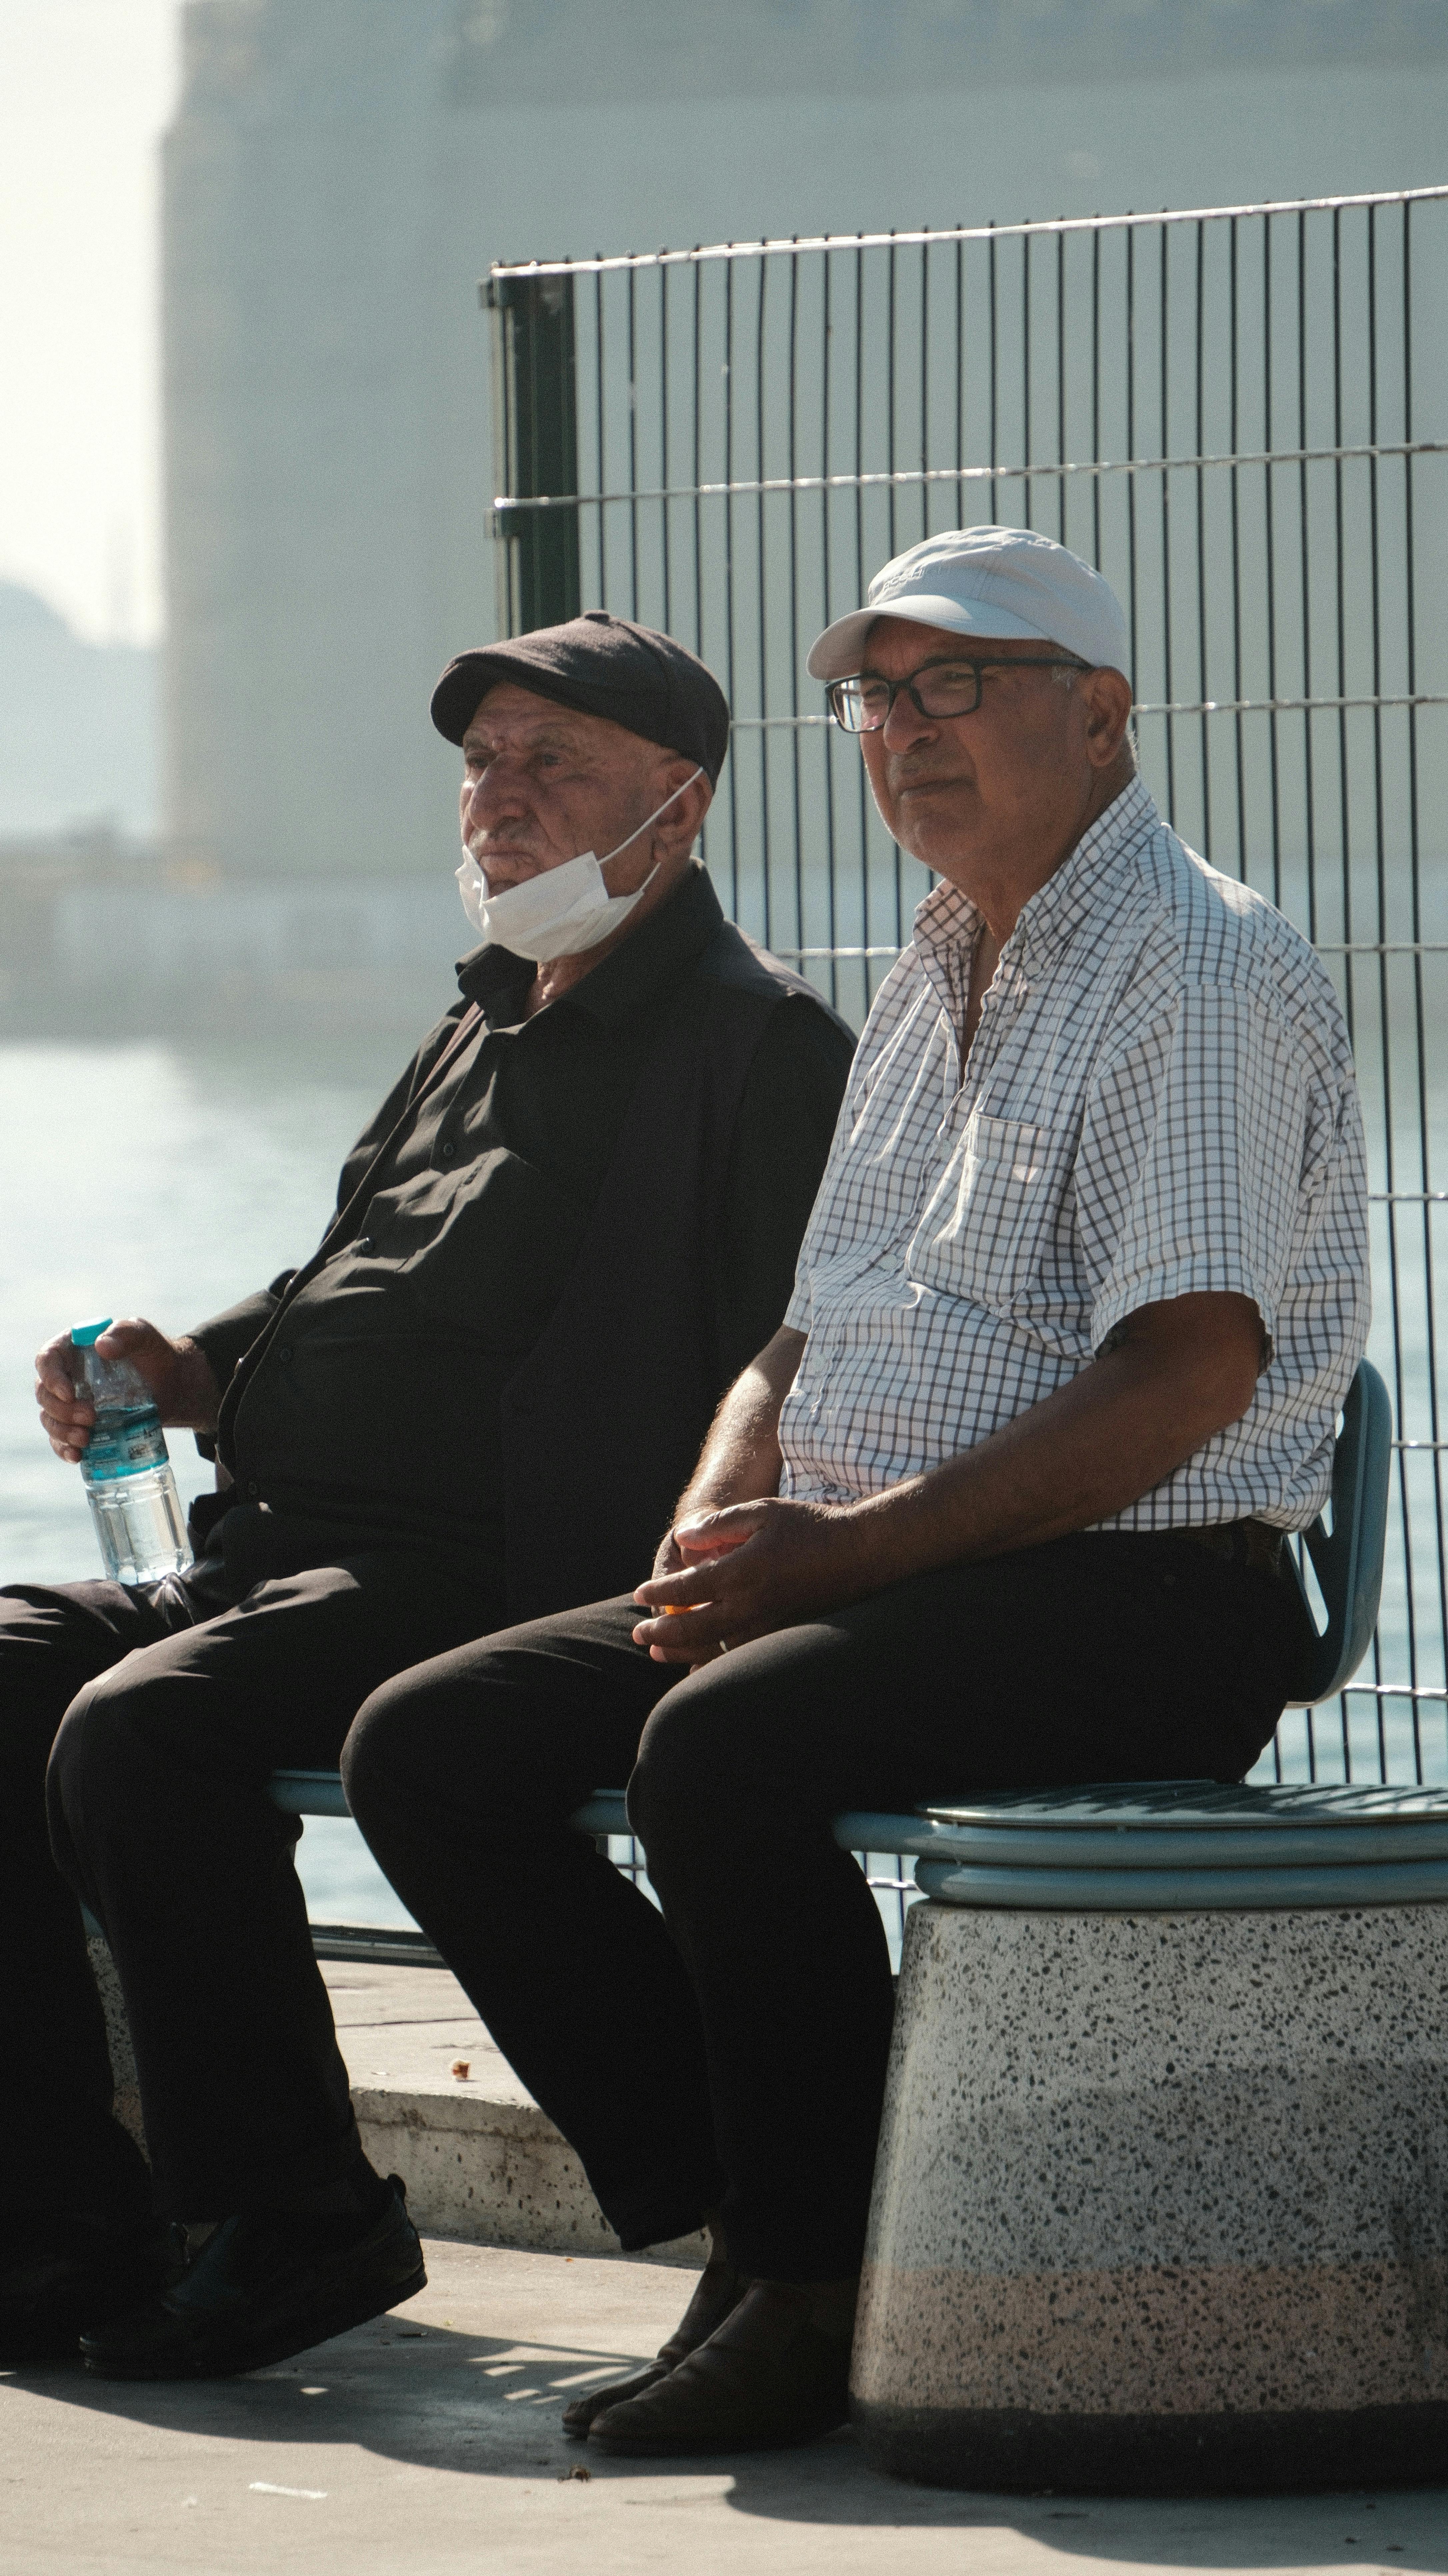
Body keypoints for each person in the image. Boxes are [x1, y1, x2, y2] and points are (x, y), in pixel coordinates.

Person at [340, 527, 1370, 2457]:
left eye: (958, 685)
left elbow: (1186, 1380)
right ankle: (771, 2220)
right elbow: (806, 1334)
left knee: (720, 1753)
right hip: (887, 1567)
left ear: (1102, 712)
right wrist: (714, 1521)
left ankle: (808, 2288)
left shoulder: (1195, 963)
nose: (906, 733)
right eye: (877, 698)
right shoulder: (929, 955)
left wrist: (834, 1558)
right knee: (433, 1744)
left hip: (1152, 1587)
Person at [4, 612, 854, 2379]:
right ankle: (69, 2221)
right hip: (286, 1551)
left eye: (557, 766)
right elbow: (366, 1284)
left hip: (505, 1574)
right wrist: (192, 1366)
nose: (503, 800)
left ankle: (297, 2212)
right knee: (14, 1663)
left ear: (675, 803)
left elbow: (808, 1357)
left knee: (142, 1732)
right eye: (485, 764)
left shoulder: (755, 1048)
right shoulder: (475, 1023)